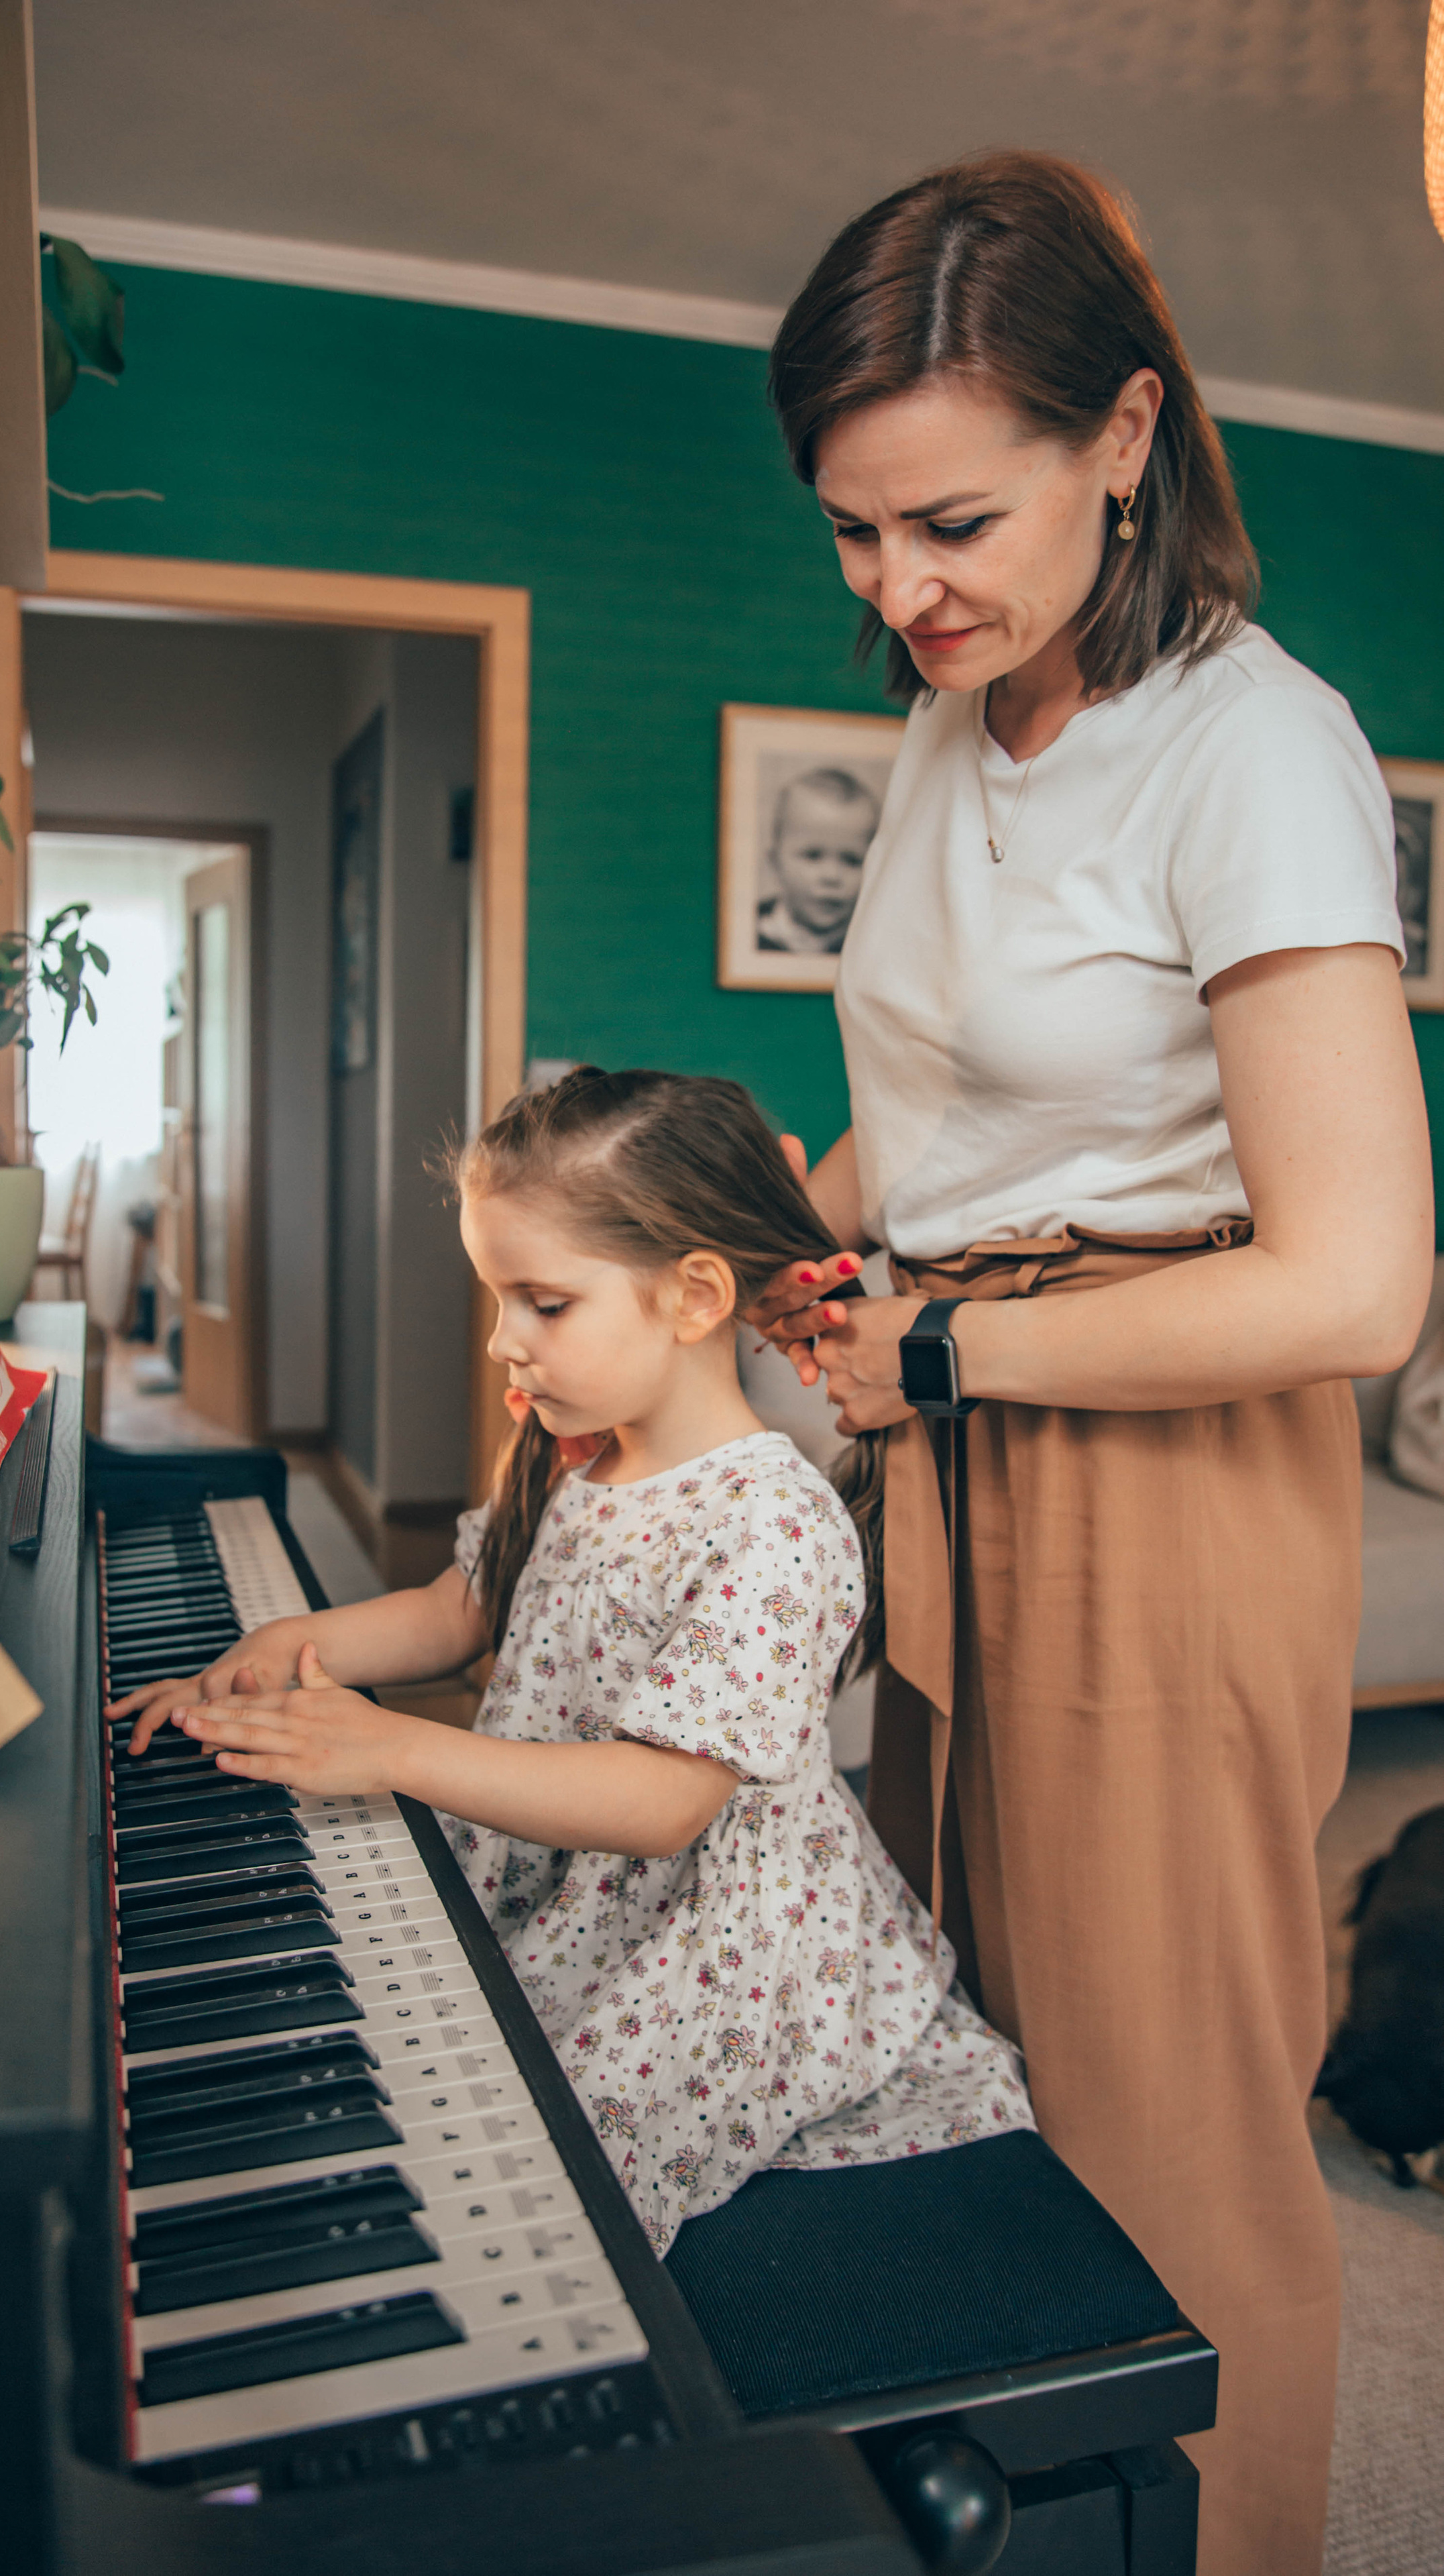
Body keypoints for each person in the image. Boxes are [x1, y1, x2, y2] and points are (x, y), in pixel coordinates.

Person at [746, 150, 1433, 2575]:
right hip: (961, 1430)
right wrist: (752, 1234)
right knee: (974, 2056)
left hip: (1155, 1466)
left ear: (1122, 434)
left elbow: (1353, 1287)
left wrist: (937, 1350)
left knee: (1165, 2129)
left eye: (947, 521)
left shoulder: (1254, 749)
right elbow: (946, 1116)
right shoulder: (960, 725)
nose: (895, 587)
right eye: (852, 533)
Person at [115, 1069, 1030, 2253]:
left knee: (520, 2178)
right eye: (500, 1299)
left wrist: (392, 1747)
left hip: (700, 1946)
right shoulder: (577, 1450)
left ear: (693, 1297)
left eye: (542, 1303)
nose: (505, 1339)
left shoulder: (774, 1526)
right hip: (555, 1871)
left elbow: (661, 1803)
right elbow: (460, 1611)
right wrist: (292, 1646)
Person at [757, 765, 881, 953]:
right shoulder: (749, 932)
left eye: (851, 860)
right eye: (813, 856)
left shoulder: (875, 942)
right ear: (775, 863)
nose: (832, 876)